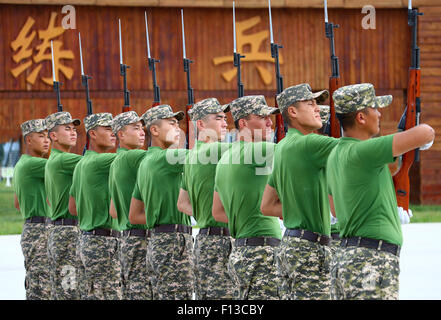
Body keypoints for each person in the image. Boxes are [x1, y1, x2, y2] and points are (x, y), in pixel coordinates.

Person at [327, 83, 435, 300]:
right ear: (361, 117)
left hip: (348, 257)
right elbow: (426, 132)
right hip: (371, 258)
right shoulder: (364, 150)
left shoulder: (334, 155)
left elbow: (336, 210)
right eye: (375, 108)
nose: (379, 113)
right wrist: (410, 131)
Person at [260, 83, 338, 300]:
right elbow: (358, 152)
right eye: (310, 103)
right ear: (292, 112)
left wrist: (301, 209)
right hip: (310, 248)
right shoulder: (310, 143)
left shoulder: (283, 146)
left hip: (292, 243)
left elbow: (267, 205)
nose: (318, 108)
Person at [212, 95, 282, 300]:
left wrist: (247, 217)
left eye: (270, 117)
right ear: (243, 123)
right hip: (262, 250)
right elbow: (296, 153)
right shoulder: (256, 150)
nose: (270, 122)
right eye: (262, 117)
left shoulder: (225, 158)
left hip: (243, 248)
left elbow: (217, 212)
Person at [129, 104, 193, 300]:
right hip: (173, 241)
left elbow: (134, 214)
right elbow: (207, 157)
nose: (177, 128)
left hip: (160, 239)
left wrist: (159, 215)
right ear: (154, 130)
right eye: (172, 123)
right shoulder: (167, 157)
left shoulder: (146, 162)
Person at [177, 98, 234, 300]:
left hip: (205, 239)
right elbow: (254, 151)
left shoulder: (193, 155)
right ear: (201, 124)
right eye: (218, 118)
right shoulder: (214, 150)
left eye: (225, 118)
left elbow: (182, 203)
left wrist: (205, 214)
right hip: (220, 240)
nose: (226, 123)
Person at [68, 113, 121, 300]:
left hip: (87, 239)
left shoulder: (81, 164)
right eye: (108, 129)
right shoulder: (101, 161)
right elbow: (131, 159)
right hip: (102, 242)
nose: (115, 134)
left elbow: (73, 208)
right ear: (93, 134)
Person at [108, 111, 154, 300]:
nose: (143, 132)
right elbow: (161, 158)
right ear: (121, 134)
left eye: (142, 128)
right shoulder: (133, 156)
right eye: (136, 128)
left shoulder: (116, 161)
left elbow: (113, 210)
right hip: (140, 237)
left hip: (127, 237)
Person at [44, 111, 82, 300]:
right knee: (69, 291)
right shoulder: (62, 160)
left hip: (62, 230)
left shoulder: (54, 160)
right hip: (67, 232)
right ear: (53, 135)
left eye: (74, 129)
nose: (73, 132)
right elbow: (90, 164)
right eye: (67, 129)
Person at [13, 119, 51, 299]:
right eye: (41, 136)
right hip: (40, 230)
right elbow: (60, 167)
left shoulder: (23, 163)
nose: (47, 140)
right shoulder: (33, 164)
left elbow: (17, 203)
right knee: (41, 288)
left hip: (35, 227)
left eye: (48, 136)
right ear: (28, 140)